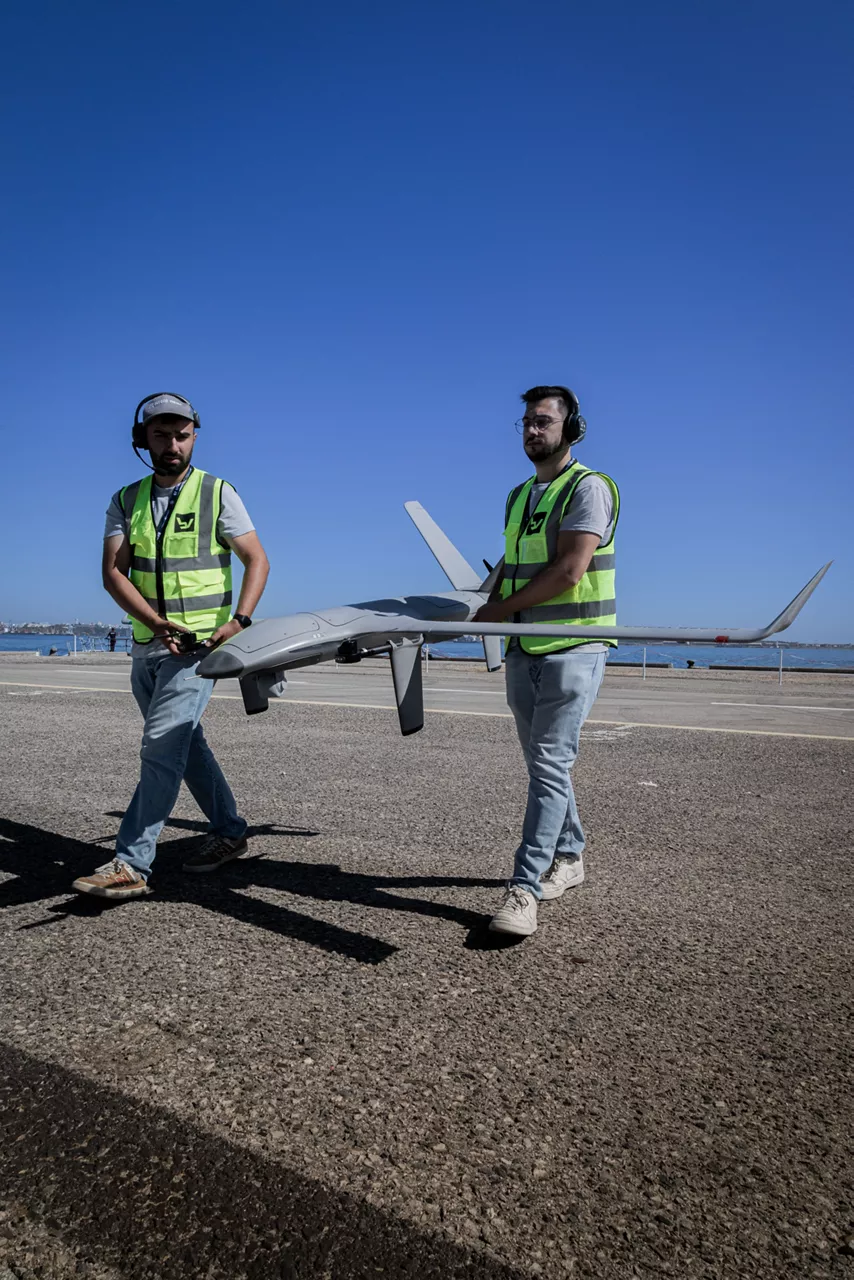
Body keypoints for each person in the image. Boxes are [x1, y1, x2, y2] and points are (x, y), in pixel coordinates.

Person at [72, 392, 270, 900]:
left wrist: (239, 620)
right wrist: (156, 623)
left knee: (161, 746)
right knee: (187, 746)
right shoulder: (125, 499)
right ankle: (229, 832)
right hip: (147, 645)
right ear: (143, 439)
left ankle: (131, 862)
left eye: (181, 435)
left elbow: (257, 560)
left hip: (198, 649)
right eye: (161, 434)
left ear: (194, 437)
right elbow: (113, 574)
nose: (172, 444)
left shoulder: (217, 492)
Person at [474, 385, 619, 937]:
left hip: (573, 646)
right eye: (527, 423)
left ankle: (524, 887)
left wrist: (498, 612)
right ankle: (571, 855)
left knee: (551, 764)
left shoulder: (589, 489)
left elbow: (569, 572)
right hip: (523, 647)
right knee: (544, 766)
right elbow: (513, 566)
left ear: (571, 428)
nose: (533, 431)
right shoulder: (519, 496)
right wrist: (479, 607)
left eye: (544, 421)